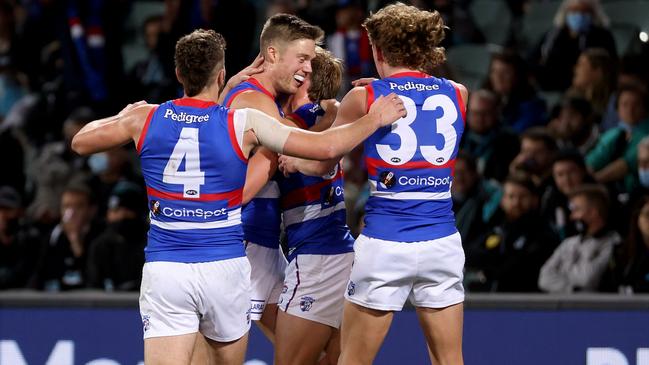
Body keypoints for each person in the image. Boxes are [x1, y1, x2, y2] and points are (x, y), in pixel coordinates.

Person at [70, 29, 405, 365]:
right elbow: (327, 147)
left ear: (177, 74)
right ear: (220, 74)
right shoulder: (244, 122)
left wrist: (125, 114)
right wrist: (374, 118)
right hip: (224, 266)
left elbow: (81, 141)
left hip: (167, 266)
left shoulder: (145, 118)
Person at [279, 3, 468, 364]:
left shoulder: (364, 98)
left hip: (386, 244)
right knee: (449, 360)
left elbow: (321, 165)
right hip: (442, 243)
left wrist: (293, 159)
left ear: (378, 51)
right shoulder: (459, 93)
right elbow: (420, 101)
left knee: (353, 360)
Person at [220, 13, 331, 344]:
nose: (309, 68)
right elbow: (238, 195)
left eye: (311, 60)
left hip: (263, 244)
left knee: (306, 351)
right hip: (247, 245)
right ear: (271, 54)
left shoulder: (252, 95)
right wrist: (362, 116)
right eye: (303, 58)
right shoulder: (255, 101)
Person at [274, 47, 352, 365]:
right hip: (331, 253)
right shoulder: (331, 112)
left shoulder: (293, 123)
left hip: (318, 257)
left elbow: (321, 163)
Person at [538, 184, 621, 292]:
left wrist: (561, 275)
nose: (572, 216)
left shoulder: (614, 243)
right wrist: (573, 289)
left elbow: (586, 281)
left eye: (576, 210)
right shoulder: (569, 242)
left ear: (593, 212)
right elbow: (544, 278)